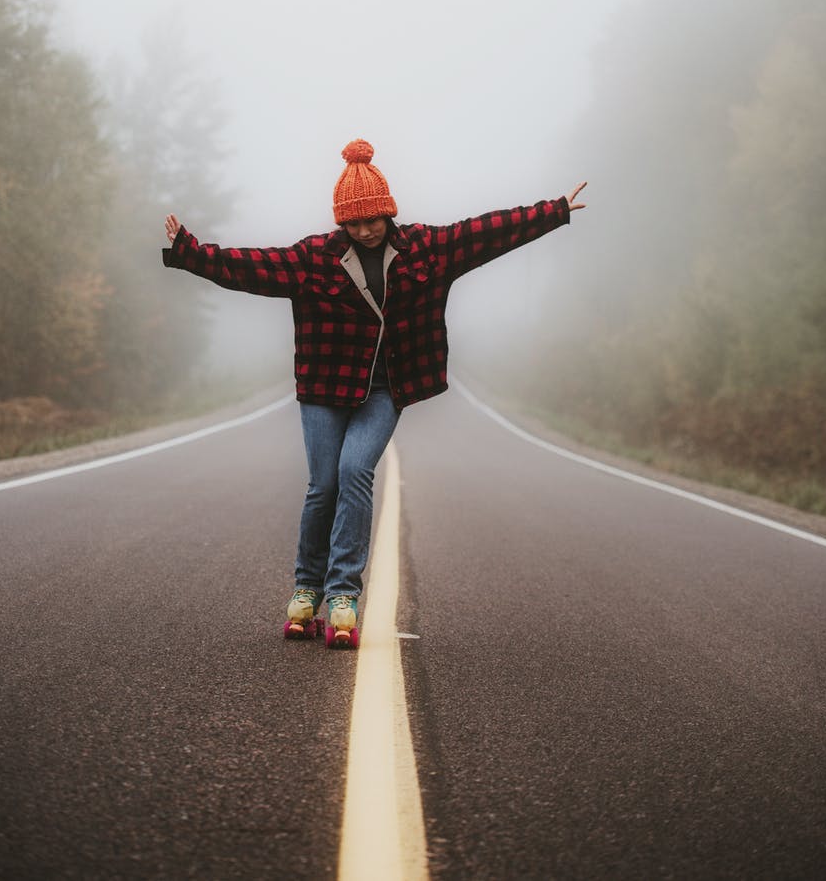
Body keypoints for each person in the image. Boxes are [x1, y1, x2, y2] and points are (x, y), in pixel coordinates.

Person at [163, 139, 586, 645]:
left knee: (353, 471)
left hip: (386, 389)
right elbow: (252, 266)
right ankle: (305, 589)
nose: (364, 230)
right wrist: (191, 254)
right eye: (354, 222)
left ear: (389, 213)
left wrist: (553, 211)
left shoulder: (426, 250)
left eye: (373, 220)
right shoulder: (314, 258)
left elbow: (486, 234)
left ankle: (342, 594)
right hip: (325, 388)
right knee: (323, 486)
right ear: (342, 222)